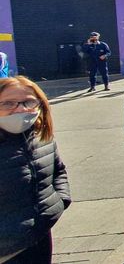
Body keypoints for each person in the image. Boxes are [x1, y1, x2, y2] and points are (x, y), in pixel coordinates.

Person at [0, 76, 70, 264]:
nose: (21, 109)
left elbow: (59, 171)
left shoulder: (41, 138)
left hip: (39, 236)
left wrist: (59, 201)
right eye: (8, 103)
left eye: (29, 102)